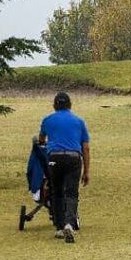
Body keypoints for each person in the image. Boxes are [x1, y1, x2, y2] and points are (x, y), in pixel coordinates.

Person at [39, 92, 90, 244]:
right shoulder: (79, 122)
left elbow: (41, 139)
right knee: (72, 193)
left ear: (55, 105)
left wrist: (46, 142)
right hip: (74, 158)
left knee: (57, 193)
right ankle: (70, 223)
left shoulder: (47, 120)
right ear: (70, 105)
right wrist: (86, 171)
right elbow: (86, 148)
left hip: (54, 158)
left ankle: (60, 227)